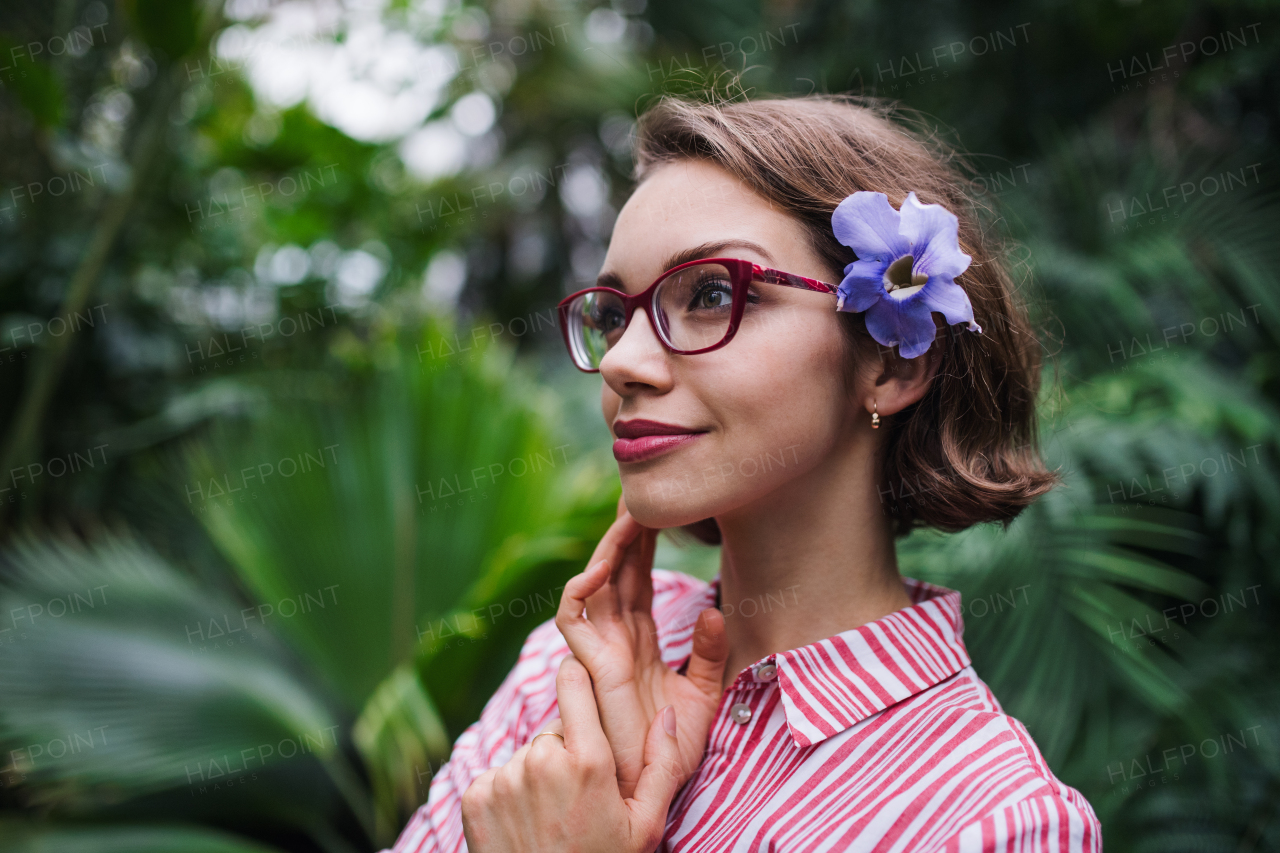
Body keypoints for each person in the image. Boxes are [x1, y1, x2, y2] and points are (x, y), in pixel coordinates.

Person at [386, 94, 1101, 852]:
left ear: (895, 360)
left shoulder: (994, 820)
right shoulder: (577, 661)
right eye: (614, 313)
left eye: (713, 293)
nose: (623, 361)